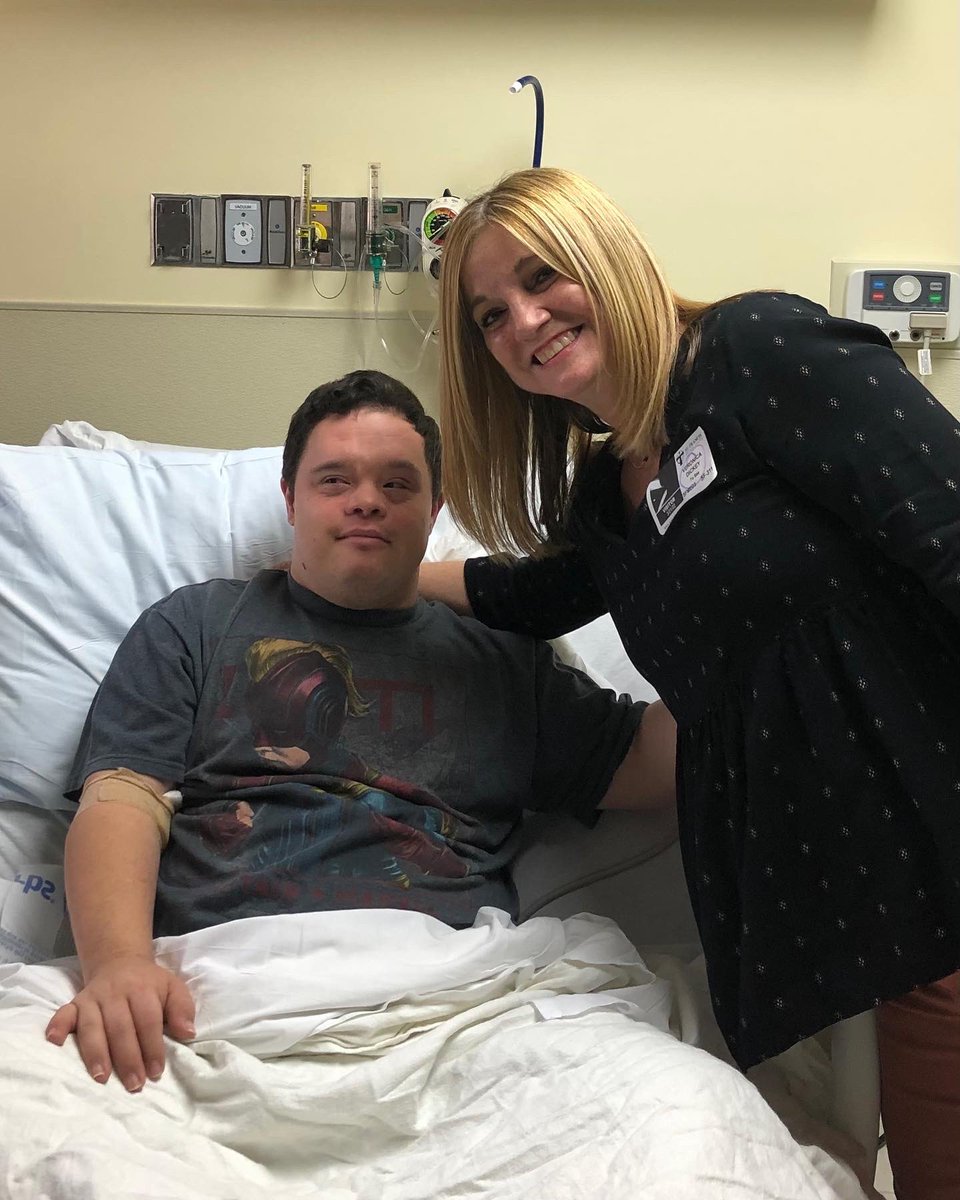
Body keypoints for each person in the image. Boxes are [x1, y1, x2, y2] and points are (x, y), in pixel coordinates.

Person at [420, 166, 960, 1200]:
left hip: (933, 823)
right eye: (492, 313)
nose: (525, 320)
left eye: (544, 278)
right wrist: (378, 565)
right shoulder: (609, 492)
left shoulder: (757, 353)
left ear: (607, 258)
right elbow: (528, 595)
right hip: (849, 902)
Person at [44, 368, 678, 1097]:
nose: (367, 501)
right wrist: (119, 964)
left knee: (683, 1112)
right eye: (334, 481)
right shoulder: (194, 627)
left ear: (435, 507)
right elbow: (121, 800)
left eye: (397, 485)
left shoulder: (502, 657)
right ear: (290, 499)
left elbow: (652, 763)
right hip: (213, 990)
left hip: (455, 1002)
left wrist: (733, 624)